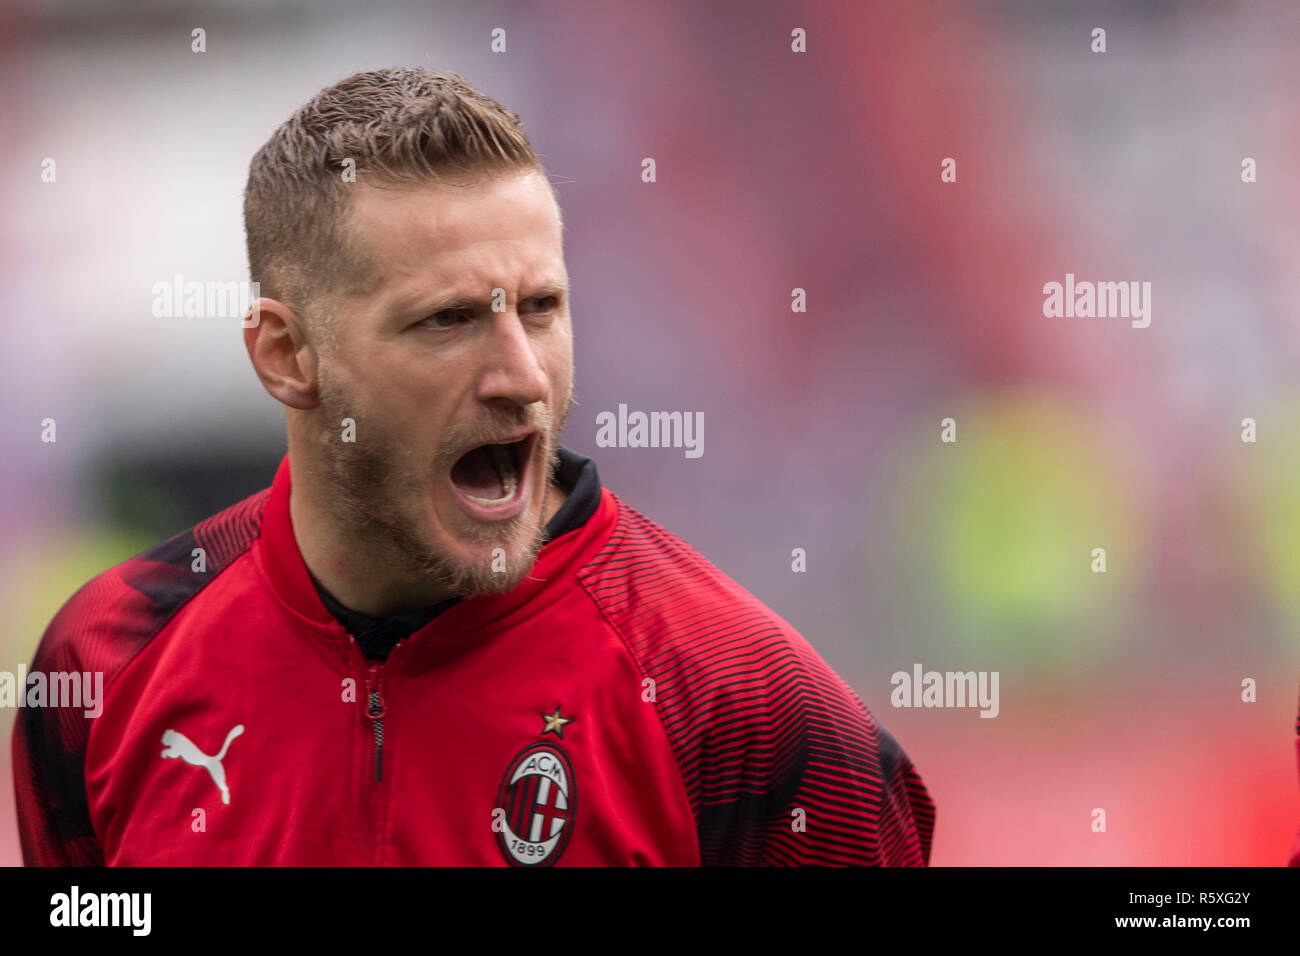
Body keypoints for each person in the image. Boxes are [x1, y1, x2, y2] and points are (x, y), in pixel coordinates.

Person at [12, 68, 935, 866]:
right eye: (448, 320)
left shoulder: (749, 710)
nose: (523, 377)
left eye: (539, 307)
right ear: (287, 357)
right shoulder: (105, 665)